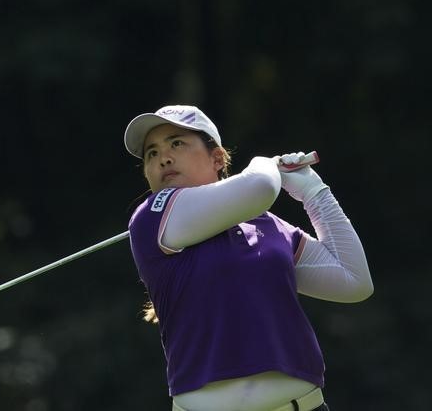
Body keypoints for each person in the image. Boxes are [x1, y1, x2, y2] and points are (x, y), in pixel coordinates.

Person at [123, 105, 373, 411]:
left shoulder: (267, 225)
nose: (163, 157)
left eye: (177, 143)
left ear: (217, 158)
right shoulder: (152, 217)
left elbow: (354, 281)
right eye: (151, 153)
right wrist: (263, 162)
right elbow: (261, 185)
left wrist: (314, 191)